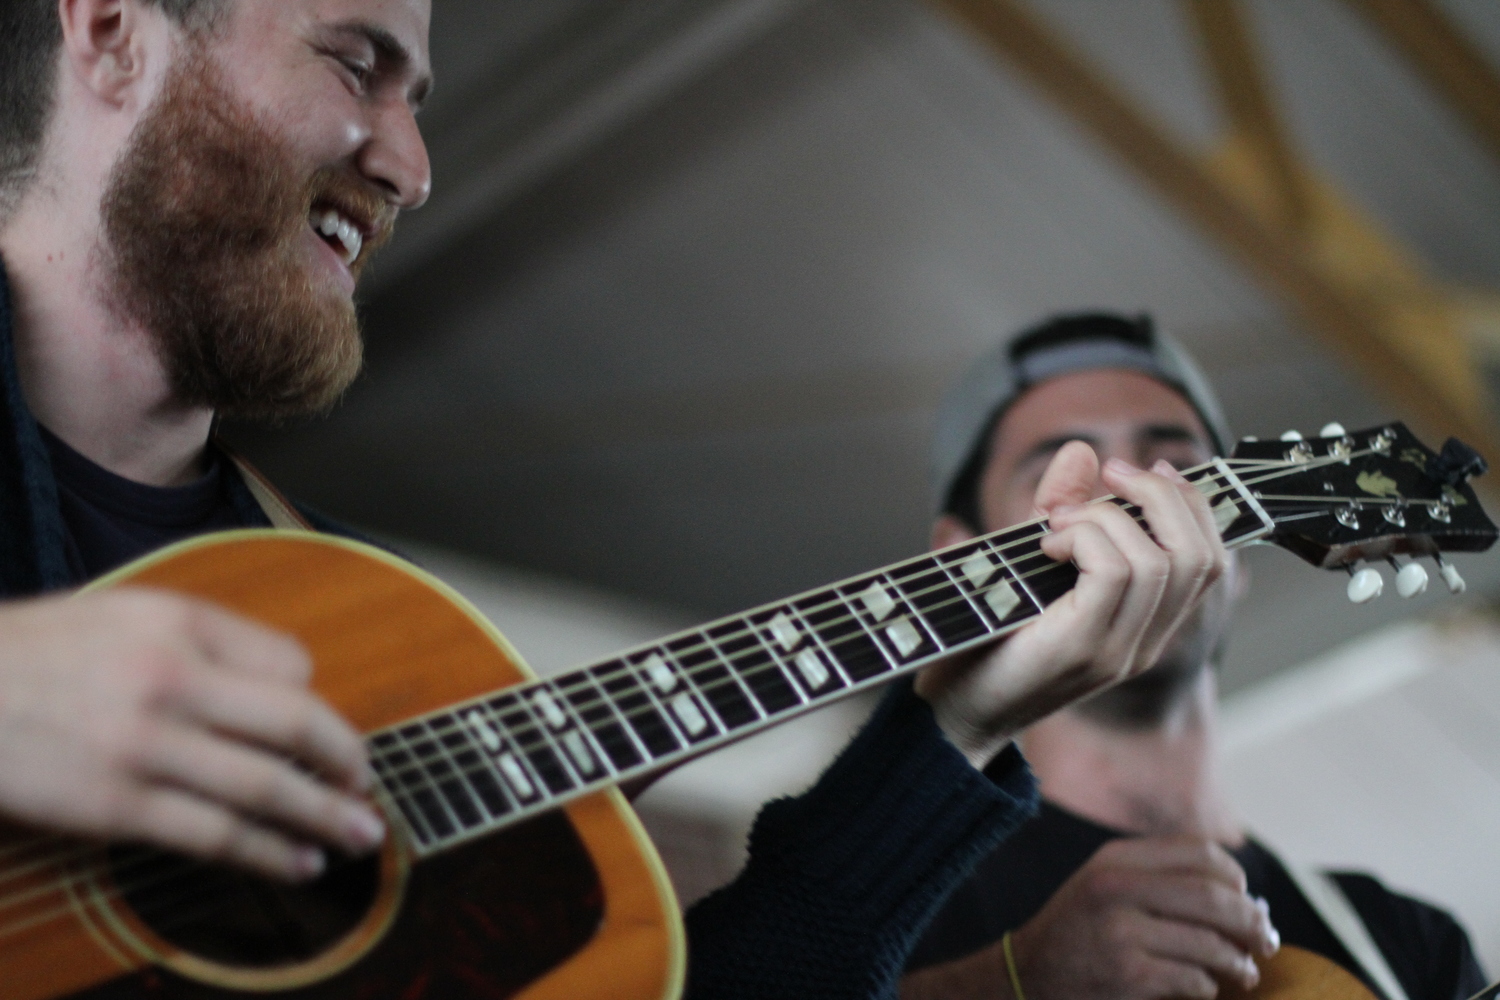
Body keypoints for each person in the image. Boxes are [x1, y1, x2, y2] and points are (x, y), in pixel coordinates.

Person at [0, 3, 1227, 997]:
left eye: (416, 101)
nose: (413, 167)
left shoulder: (365, 630)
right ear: (111, 31)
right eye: (355, 62)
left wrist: (948, 732)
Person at [899, 313, 1487, 1000]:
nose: (1132, 503)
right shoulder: (874, 913)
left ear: (1238, 557)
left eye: (1178, 468)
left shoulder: (1405, 941)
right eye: (1059, 471)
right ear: (960, 558)